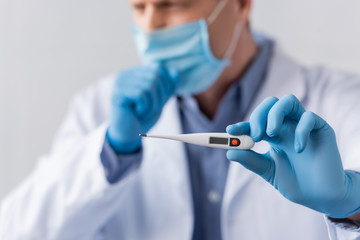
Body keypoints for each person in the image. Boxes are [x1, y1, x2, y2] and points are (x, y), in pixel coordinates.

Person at [1, 0, 360, 239]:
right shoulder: (97, 110)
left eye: (173, 3)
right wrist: (111, 153)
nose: (151, 24)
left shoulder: (342, 100)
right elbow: (18, 230)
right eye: (139, 6)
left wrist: (352, 206)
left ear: (240, 5)